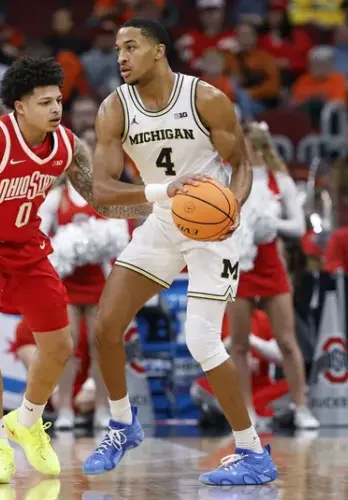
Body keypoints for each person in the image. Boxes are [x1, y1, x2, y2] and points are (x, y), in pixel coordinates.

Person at [0, 56, 140, 484]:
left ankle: (29, 420)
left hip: (27, 248)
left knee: (58, 347)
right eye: (44, 102)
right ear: (20, 106)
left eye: (58, 100)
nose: (56, 109)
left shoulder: (69, 145)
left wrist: (159, 200)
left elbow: (101, 200)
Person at [83, 19, 278, 485]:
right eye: (116, 49)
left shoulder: (205, 98)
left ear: (159, 51)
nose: (121, 57)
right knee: (105, 326)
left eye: (131, 46)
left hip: (215, 227)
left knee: (202, 340)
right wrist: (160, 191)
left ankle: (252, 451)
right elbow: (101, 189)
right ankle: (122, 423)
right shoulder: (115, 109)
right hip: (166, 215)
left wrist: (232, 207)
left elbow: (241, 166)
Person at [228, 123, 318, 430]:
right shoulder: (229, 180)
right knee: (238, 344)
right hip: (238, 267)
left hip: (269, 266)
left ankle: (301, 406)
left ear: (257, 148)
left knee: (287, 341)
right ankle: (246, 410)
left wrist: (271, 224)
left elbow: (298, 227)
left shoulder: (281, 182)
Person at [37, 180, 115, 430]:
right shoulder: (56, 197)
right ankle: (65, 409)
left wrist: (98, 244)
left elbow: (118, 236)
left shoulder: (103, 195)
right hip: (67, 281)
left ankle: (103, 408)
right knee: (67, 345)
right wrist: (62, 250)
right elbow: (39, 233)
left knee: (99, 344)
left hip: (98, 280)